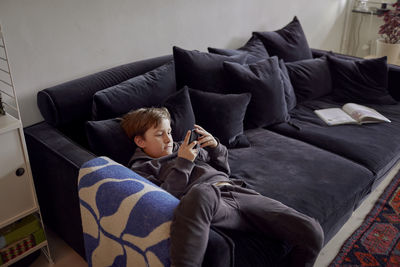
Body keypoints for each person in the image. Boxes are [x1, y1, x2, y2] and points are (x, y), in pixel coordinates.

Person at [121, 107, 324, 267]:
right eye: (159, 135)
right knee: (201, 192)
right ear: (140, 141)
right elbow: (161, 198)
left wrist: (215, 147)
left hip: (237, 191)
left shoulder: (182, 148)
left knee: (312, 231)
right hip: (210, 203)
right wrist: (183, 164)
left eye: (169, 132)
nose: (168, 139)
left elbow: (222, 169)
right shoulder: (141, 168)